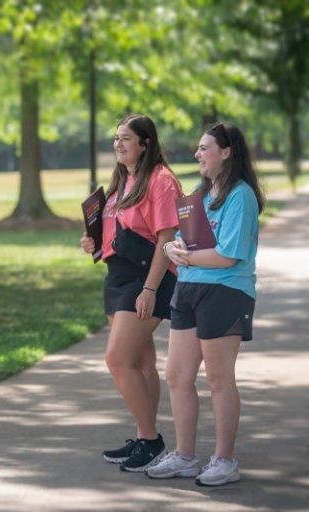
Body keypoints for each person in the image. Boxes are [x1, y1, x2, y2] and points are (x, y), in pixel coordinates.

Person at [147, 123, 264, 486]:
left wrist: (187, 257)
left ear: (226, 152)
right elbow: (181, 243)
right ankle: (184, 456)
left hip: (226, 292)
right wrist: (170, 250)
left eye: (204, 148)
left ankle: (224, 460)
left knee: (217, 378)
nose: (197, 154)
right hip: (189, 291)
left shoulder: (240, 196)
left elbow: (228, 256)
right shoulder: (199, 193)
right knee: (178, 376)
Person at [80, 114, 183, 472]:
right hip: (117, 275)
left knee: (117, 358)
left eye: (126, 138)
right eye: (116, 138)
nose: (118, 144)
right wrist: (93, 242)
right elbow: (114, 229)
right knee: (139, 362)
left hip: (147, 277)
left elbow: (166, 239)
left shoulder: (161, 181)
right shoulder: (123, 180)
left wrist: (151, 289)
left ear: (146, 143)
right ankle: (145, 438)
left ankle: (151, 441)